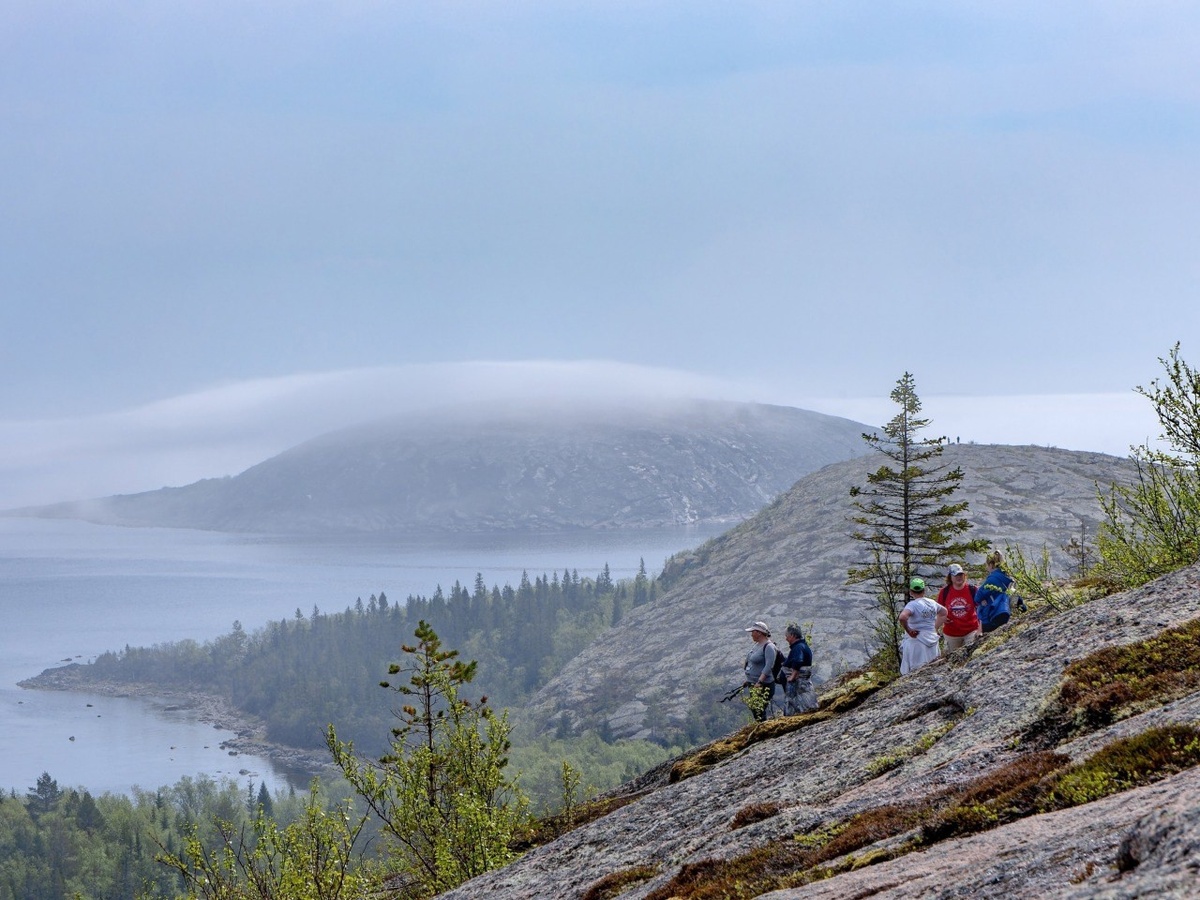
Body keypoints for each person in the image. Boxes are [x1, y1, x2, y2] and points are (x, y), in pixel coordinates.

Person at [899, 577, 946, 675]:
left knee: (914, 672)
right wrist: (935, 628)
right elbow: (944, 612)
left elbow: (902, 617)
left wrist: (909, 630)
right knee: (933, 669)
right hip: (931, 639)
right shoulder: (932, 603)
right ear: (924, 590)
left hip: (916, 641)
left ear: (911, 592)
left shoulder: (912, 605)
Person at [938, 563, 981, 650]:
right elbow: (938, 610)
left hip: (971, 630)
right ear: (950, 577)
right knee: (952, 660)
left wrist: (980, 629)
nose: (959, 577)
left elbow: (982, 609)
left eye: (961, 574)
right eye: (956, 575)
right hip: (951, 634)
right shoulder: (944, 592)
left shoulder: (973, 590)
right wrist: (943, 618)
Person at [742, 621, 778, 721]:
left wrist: (760, 681)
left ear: (759, 633)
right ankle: (761, 728)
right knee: (755, 709)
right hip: (753, 683)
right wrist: (748, 680)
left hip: (763, 684)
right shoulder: (757, 645)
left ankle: (764, 730)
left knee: (759, 710)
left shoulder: (769, 647)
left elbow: (768, 666)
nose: (751, 634)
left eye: (752, 632)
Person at [780, 623, 818, 714]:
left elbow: (798, 661)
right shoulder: (802, 646)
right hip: (800, 683)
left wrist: (792, 676)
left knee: (798, 705)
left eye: (787, 636)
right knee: (803, 703)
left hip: (798, 684)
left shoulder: (798, 647)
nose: (786, 639)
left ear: (793, 635)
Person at [975, 550, 1016, 632]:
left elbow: (977, 597)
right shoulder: (1007, 576)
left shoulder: (993, 579)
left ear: (991, 565)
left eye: (987, 565)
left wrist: (983, 599)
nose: (986, 567)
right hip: (1006, 609)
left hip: (993, 614)